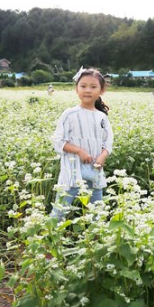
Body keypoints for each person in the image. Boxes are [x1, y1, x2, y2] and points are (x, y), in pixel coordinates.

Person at [50, 68, 113, 220]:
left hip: (94, 172)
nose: (87, 90)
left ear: (101, 90)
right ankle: (49, 241)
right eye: (83, 86)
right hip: (72, 174)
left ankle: (97, 241)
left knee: (97, 214)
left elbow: (108, 142)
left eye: (93, 87)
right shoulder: (70, 114)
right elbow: (58, 141)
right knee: (59, 213)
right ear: (76, 89)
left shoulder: (102, 117)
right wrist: (79, 151)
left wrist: (103, 156)